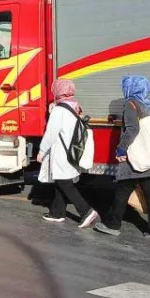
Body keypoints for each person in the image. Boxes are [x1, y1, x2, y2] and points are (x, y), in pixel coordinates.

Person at [96, 75, 150, 239]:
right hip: (147, 158)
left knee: (122, 190)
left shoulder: (131, 105)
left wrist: (121, 149)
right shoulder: (147, 105)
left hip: (135, 157)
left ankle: (112, 225)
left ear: (130, 88)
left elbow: (131, 130)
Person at [36, 79, 99, 228]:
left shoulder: (59, 110)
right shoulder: (75, 107)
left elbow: (51, 133)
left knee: (64, 182)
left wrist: (42, 151)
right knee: (60, 180)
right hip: (70, 150)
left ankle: (86, 211)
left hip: (61, 152)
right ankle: (57, 213)